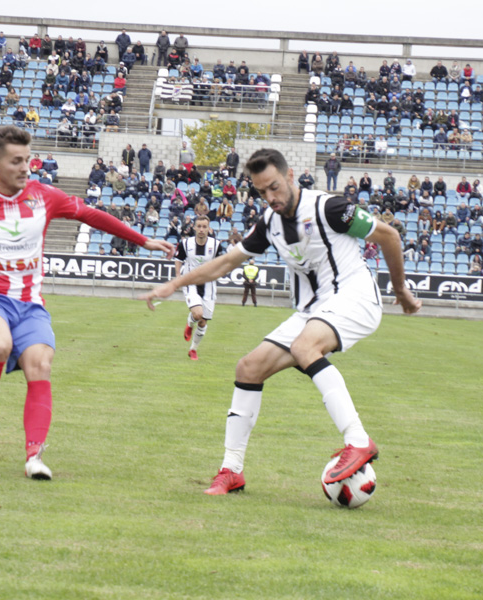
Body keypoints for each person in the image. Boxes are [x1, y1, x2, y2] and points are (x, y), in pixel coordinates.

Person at [141, 148, 421, 496]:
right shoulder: (270, 225)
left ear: (290, 177)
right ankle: (232, 471)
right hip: (312, 310)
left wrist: (401, 290)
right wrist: (174, 284)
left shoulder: (329, 208)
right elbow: (227, 262)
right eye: (261, 192)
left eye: (274, 187)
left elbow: (389, 236)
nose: (270, 197)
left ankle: (358, 440)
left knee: (306, 346)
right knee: (249, 367)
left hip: (355, 298)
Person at [0, 126, 174, 480]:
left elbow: (90, 214)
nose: (26, 167)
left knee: (40, 365)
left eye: (28, 159)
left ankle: (34, 456)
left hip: (30, 304)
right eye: (17, 161)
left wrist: (141, 240)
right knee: (0, 345)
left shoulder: (43, 195)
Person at [174, 216, 225, 360]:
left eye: (204, 227)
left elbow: (221, 263)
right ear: (194, 228)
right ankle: (190, 322)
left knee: (203, 321)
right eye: (199, 226)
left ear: (209, 228)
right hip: (191, 281)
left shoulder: (216, 245)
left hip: (209, 284)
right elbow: (178, 259)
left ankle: (193, 349)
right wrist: (178, 276)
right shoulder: (185, 243)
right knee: (198, 314)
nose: (202, 230)